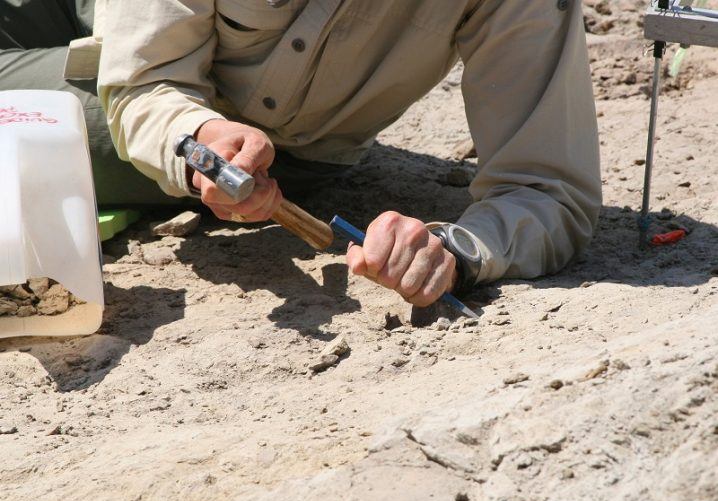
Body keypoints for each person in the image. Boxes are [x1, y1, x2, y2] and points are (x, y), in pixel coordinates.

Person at [0, 0, 601, 308]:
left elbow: (547, 191)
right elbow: (151, 66)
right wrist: (201, 135)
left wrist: (457, 252)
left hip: (204, 121)